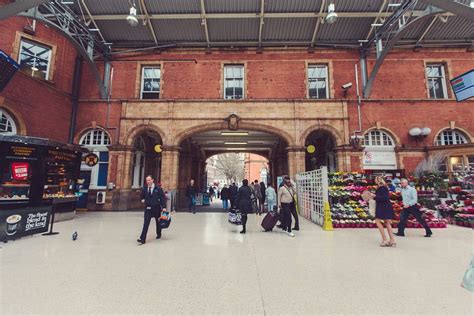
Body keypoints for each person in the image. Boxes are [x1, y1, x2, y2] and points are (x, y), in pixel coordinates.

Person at [137, 175, 167, 245]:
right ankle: (142, 239)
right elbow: (141, 196)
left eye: (149, 180)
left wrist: (164, 207)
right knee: (146, 224)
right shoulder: (144, 188)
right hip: (148, 208)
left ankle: (159, 233)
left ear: (152, 180)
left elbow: (162, 198)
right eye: (147, 180)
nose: (148, 182)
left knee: (158, 222)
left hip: (156, 208)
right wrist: (142, 200)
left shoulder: (158, 188)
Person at [372, 176, 396, 247]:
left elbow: (385, 198)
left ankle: (384, 240)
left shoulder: (382, 188)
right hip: (385, 207)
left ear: (378, 180)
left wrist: (374, 196)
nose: (374, 181)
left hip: (383, 207)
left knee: (378, 221)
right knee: (387, 223)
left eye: (375, 179)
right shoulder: (383, 187)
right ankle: (392, 241)